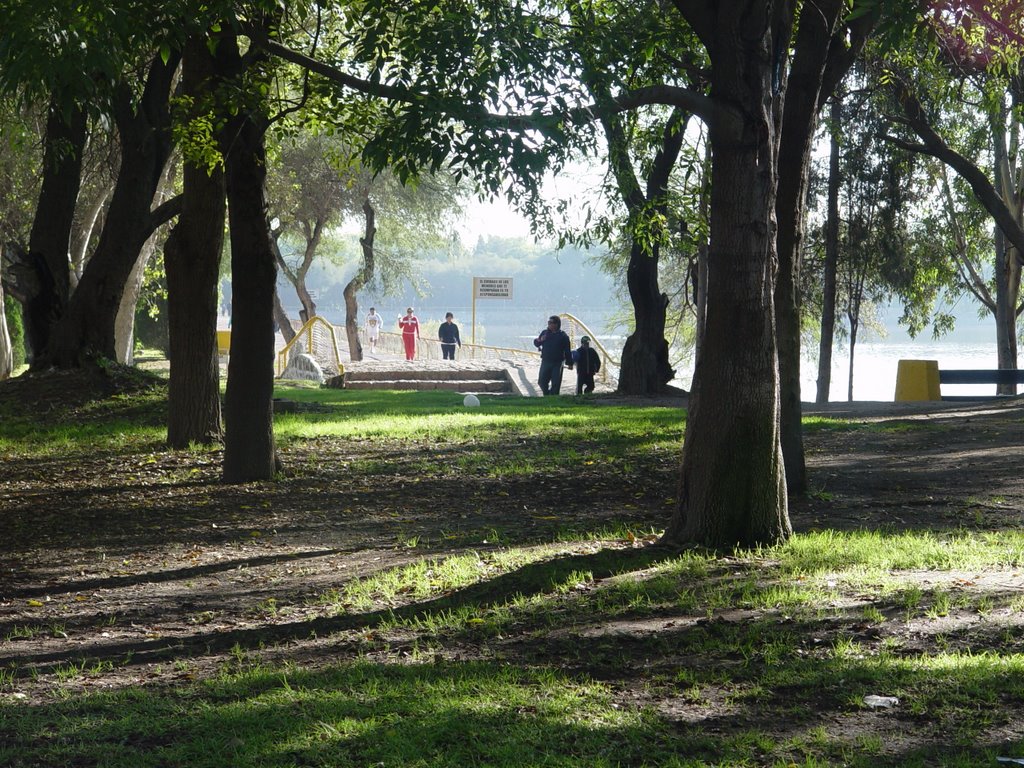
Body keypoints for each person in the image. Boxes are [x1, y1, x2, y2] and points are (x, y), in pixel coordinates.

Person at [533, 315, 573, 395]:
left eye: (551, 323)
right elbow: (536, 343)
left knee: (555, 383)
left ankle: (553, 398)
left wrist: (570, 363)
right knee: (541, 381)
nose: (549, 324)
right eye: (548, 322)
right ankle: (547, 395)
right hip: (546, 361)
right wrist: (541, 340)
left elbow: (567, 351)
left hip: (557, 363)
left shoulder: (563, 336)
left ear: (557, 324)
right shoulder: (545, 333)